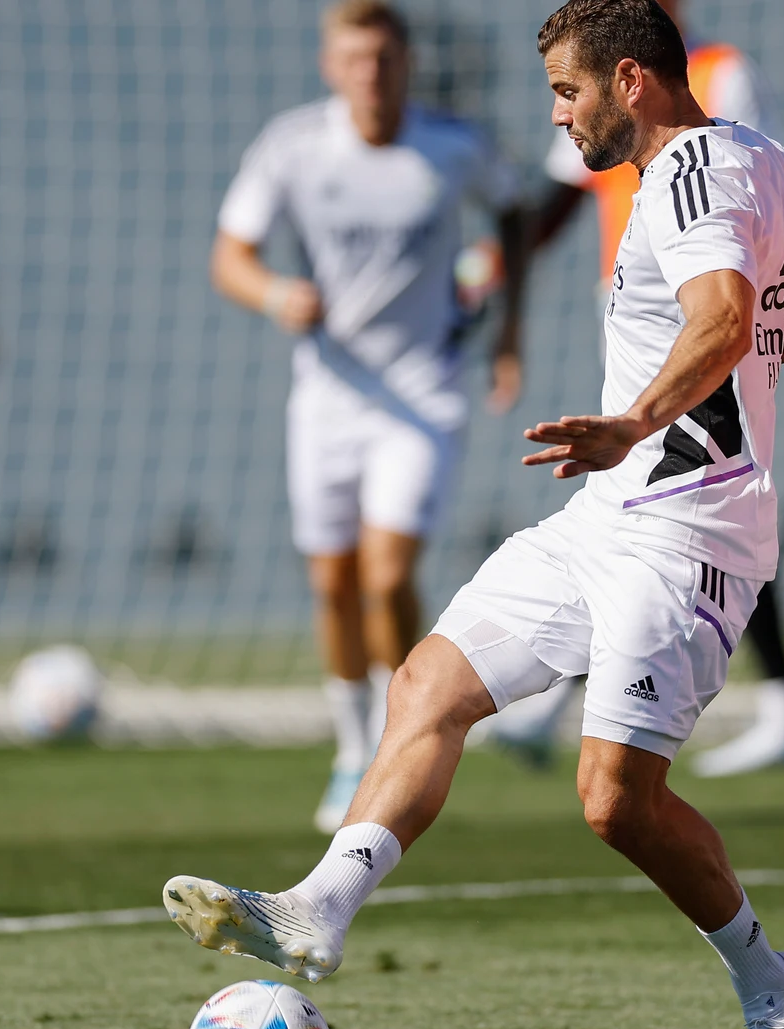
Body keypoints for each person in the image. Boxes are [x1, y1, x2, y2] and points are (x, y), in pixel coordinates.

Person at [161, 4, 784, 1029]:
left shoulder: (686, 176)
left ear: (630, 81)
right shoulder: (753, 156)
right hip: (607, 516)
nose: (557, 116)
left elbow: (725, 318)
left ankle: (776, 985)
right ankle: (319, 906)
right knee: (428, 684)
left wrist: (643, 411)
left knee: (615, 802)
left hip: (690, 536)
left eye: (566, 92)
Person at [210, 0, 531, 833]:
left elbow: (518, 213)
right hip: (328, 395)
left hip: (423, 393)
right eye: (356, 60)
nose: (371, 74)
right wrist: (277, 292)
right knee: (332, 580)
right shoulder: (292, 147)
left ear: (407, 63)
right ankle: (354, 746)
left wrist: (509, 330)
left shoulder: (451, 147)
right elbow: (231, 256)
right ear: (331, 66)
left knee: (387, 574)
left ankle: (404, 733)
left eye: (385, 59)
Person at [491, 0, 784, 779]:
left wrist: (782, 289)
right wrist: (485, 272)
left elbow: (755, 189)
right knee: (647, 502)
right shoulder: (597, 85)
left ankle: (782, 704)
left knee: (695, 495)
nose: (559, 111)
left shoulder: (714, 76)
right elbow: (557, 204)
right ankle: (570, 694)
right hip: (636, 307)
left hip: (700, 304)